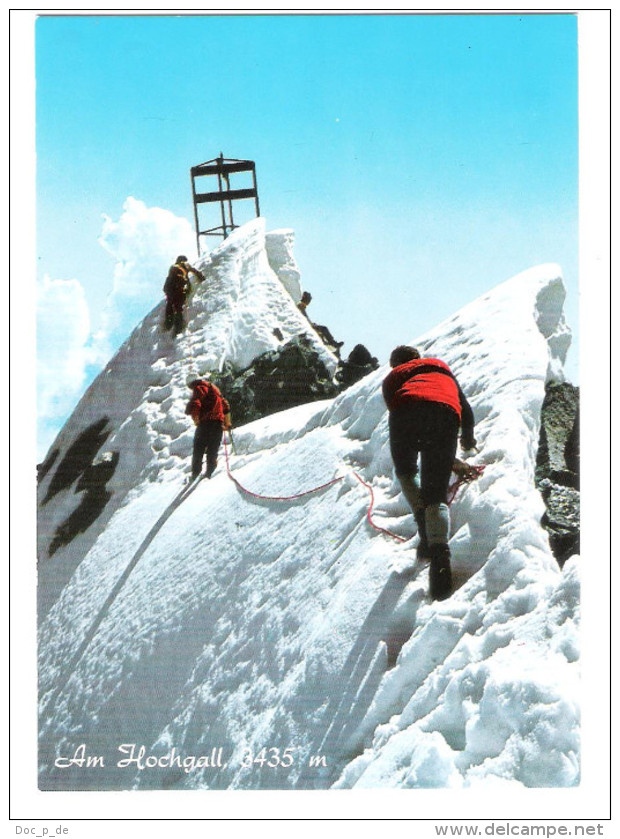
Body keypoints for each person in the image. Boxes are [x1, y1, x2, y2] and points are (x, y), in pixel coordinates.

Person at [382, 346, 476, 600]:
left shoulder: (392, 378)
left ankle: (423, 522)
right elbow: (464, 408)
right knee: (436, 494)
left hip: (404, 412)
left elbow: (409, 416)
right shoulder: (439, 366)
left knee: (406, 472)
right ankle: (439, 560)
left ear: (395, 364)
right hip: (446, 414)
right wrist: (466, 442)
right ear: (418, 359)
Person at [185, 378, 232, 480]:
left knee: (199, 448)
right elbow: (226, 406)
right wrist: (227, 423)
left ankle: (195, 474)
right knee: (212, 449)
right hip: (218, 424)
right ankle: (210, 472)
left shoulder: (198, 388)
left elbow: (196, 404)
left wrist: (196, 420)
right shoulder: (214, 390)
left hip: (205, 423)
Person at [163, 255, 204, 335]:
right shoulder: (184, 265)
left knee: (170, 303)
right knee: (178, 307)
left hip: (168, 287)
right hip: (178, 286)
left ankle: (168, 323)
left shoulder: (173, 267)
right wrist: (201, 278)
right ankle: (178, 327)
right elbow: (194, 271)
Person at [297, 291, 344, 355]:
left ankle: (328, 343)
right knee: (324, 329)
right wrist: (311, 324)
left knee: (322, 331)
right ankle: (333, 343)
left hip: (308, 325)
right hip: (307, 326)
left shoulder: (302, 307)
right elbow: (304, 319)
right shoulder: (300, 307)